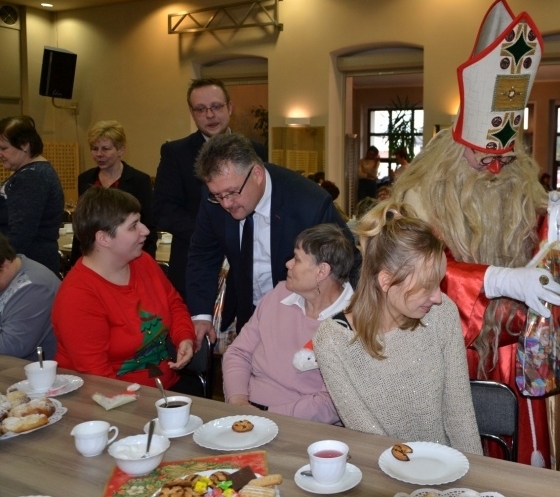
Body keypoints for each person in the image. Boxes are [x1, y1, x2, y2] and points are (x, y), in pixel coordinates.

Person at [391, 0, 560, 467]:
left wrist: (556, 222)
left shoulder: (519, 185)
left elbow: (545, 263)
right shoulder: (419, 196)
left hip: (516, 352)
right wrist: (495, 280)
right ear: (458, 147)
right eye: (483, 158)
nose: (495, 170)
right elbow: (413, 272)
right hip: (443, 351)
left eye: (504, 159)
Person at [314, 202, 482, 454]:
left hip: (444, 469)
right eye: (427, 286)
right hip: (382, 473)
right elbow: (367, 434)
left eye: (439, 283)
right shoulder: (332, 340)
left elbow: (460, 413)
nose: (437, 297)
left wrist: (473, 480)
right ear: (386, 281)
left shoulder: (442, 313)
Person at [187, 133, 357, 347]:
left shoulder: (309, 204)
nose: (226, 204)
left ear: (256, 174)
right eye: (218, 196)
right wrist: (201, 315)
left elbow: (348, 264)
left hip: (301, 319)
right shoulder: (216, 195)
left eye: (232, 193)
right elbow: (203, 255)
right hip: (246, 314)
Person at [51, 187, 197, 392]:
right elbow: (99, 379)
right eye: (133, 226)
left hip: (163, 387)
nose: (145, 230)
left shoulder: (142, 261)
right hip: (114, 401)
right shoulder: (78, 296)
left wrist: (184, 337)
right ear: (104, 238)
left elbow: (173, 304)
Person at [223, 224, 354, 423]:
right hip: (246, 409)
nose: (288, 264)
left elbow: (332, 402)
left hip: (302, 427)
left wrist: (265, 417)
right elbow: (238, 353)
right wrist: (238, 401)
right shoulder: (279, 295)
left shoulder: (353, 322)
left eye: (298, 259)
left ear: (322, 271)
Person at [153, 78, 266, 299]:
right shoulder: (175, 153)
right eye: (201, 109)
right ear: (192, 113)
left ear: (230, 107)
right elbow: (163, 210)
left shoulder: (256, 150)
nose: (210, 115)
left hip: (250, 265)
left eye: (216, 107)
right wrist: (211, 233)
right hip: (196, 264)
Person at [71, 120, 156, 265]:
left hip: (127, 258)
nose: (99, 154)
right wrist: (75, 261)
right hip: (94, 257)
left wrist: (145, 263)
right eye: (94, 148)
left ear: (121, 150)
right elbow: (82, 225)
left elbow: (149, 226)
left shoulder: (139, 180)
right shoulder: (85, 179)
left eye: (105, 149)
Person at [0, 116, 64, 276]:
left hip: (27, 266)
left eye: (3, 148)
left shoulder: (32, 177)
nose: (0, 154)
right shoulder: (30, 173)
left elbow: (20, 233)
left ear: (25, 146)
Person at [0, 234, 59, 361]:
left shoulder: (34, 286)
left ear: (4, 264)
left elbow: (11, 347)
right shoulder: (10, 274)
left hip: (32, 373)